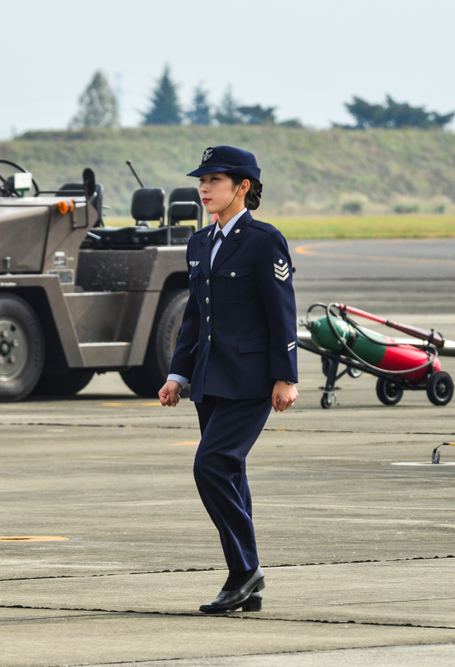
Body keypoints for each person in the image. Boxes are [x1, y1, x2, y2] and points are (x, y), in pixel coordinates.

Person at [158, 145, 298, 614]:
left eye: (215, 180)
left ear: (243, 187)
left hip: (253, 380)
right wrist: (178, 374)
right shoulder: (199, 243)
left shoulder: (263, 240)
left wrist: (286, 377)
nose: (204, 188)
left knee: (211, 466)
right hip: (209, 379)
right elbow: (195, 316)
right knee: (230, 473)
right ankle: (250, 584)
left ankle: (244, 570)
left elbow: (282, 314)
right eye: (202, 180)